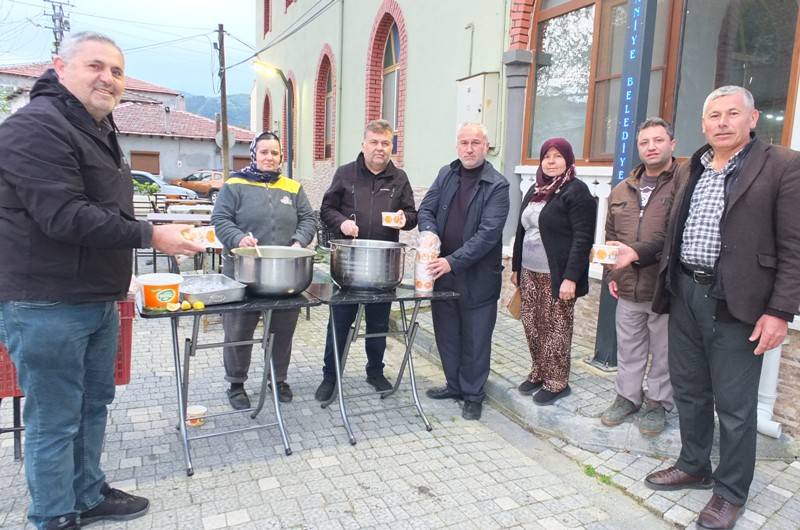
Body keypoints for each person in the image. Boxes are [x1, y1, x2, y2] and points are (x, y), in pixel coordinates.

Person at [0, 32, 203, 530]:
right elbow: (64, 216)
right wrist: (152, 236)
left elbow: (104, 207)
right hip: (46, 304)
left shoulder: (95, 126)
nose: (108, 79)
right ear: (59, 67)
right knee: (54, 418)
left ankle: (86, 494)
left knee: (94, 404)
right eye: (96, 66)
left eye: (116, 71)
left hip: (96, 297)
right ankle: (52, 515)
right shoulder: (35, 128)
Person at [642, 86, 800, 530]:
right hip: (685, 292)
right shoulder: (692, 166)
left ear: (753, 120)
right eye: (714, 115)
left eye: (733, 113)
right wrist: (636, 257)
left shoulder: (783, 165)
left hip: (739, 302)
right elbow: (675, 231)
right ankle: (694, 464)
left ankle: (730, 492)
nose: (723, 122)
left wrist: (780, 311)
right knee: (689, 389)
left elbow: (794, 245)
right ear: (703, 124)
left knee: (734, 405)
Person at [315, 119, 418, 401]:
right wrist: (343, 224)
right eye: (374, 142)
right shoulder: (346, 174)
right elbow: (326, 209)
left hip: (383, 267)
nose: (379, 148)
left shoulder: (399, 178)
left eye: (385, 143)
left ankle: (375, 372)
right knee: (339, 323)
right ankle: (330, 377)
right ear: (363, 144)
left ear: (391, 146)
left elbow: (412, 216)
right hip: (348, 265)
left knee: (378, 325)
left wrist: (403, 219)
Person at [212, 131, 316, 409]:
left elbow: (308, 218)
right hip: (243, 272)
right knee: (239, 330)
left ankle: (277, 378)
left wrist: (298, 241)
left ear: (281, 157)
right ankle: (236, 383)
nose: (269, 157)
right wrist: (238, 239)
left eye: (275, 153)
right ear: (254, 154)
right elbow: (220, 219)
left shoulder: (293, 187)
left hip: (284, 274)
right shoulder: (235, 185)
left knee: (282, 330)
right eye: (264, 152)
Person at [418, 122, 510, 421]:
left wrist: (451, 261)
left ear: (487, 146)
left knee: (476, 337)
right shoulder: (447, 173)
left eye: (475, 143)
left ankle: (473, 394)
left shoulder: (497, 185)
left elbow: (488, 235)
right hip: (443, 271)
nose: (469, 149)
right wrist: (429, 233)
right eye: (463, 143)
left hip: (477, 276)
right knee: (447, 333)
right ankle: (454, 385)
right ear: (457, 146)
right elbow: (426, 209)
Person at [599, 118, 682, 435]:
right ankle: (627, 398)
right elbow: (610, 236)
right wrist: (613, 276)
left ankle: (657, 404)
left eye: (658, 140)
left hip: (665, 288)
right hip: (628, 286)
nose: (651, 147)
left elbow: (677, 237)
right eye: (645, 142)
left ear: (671, 144)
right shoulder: (623, 188)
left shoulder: (682, 184)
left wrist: (637, 253)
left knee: (663, 352)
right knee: (629, 348)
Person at [510, 138, 596, 406]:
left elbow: (583, 238)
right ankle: (539, 371)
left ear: (568, 160)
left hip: (557, 275)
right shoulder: (535, 190)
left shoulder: (576, 191)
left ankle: (557, 381)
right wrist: (515, 267)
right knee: (531, 324)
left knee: (555, 327)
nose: (551, 161)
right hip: (529, 271)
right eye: (547, 156)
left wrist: (570, 278)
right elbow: (521, 231)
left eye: (558, 156)